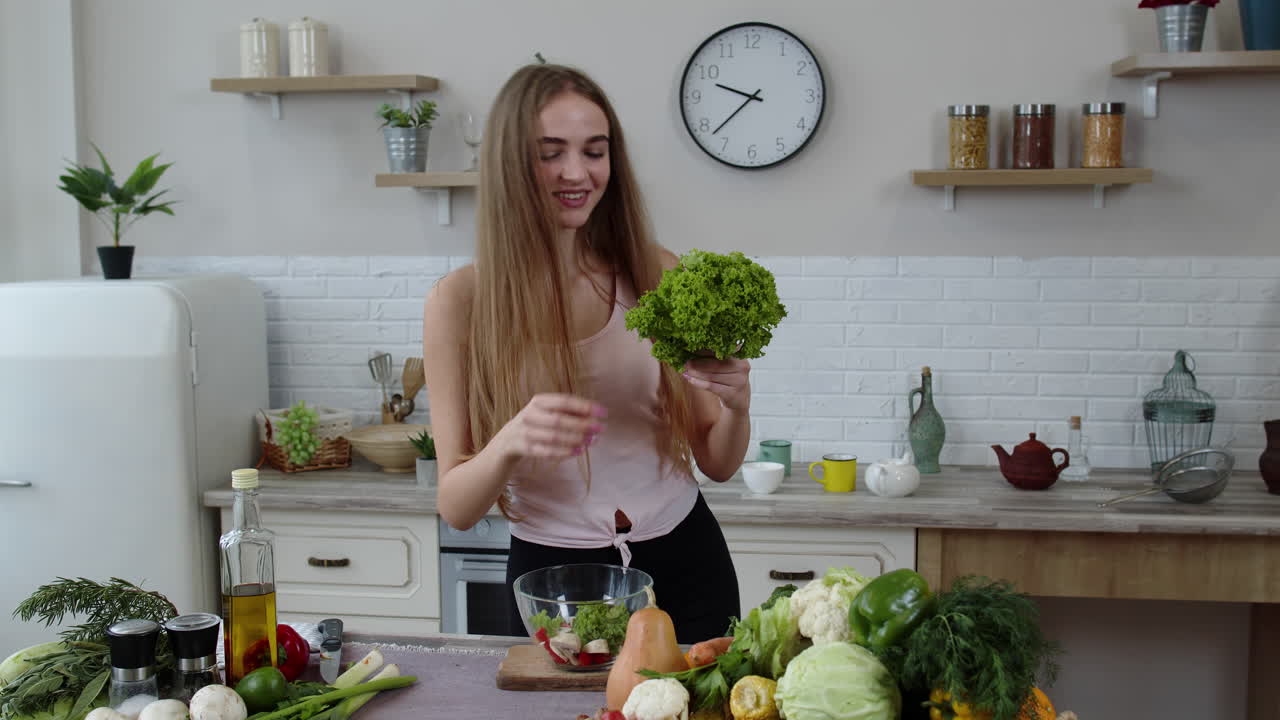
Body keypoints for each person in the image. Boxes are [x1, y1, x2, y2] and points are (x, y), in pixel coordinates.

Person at [421, 63, 752, 644]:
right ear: (509, 164)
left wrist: (738, 406)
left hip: (688, 562)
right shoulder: (461, 302)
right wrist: (510, 442)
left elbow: (719, 463)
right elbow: (457, 506)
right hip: (554, 581)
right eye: (551, 153)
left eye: (594, 152)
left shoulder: (656, 272)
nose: (576, 172)